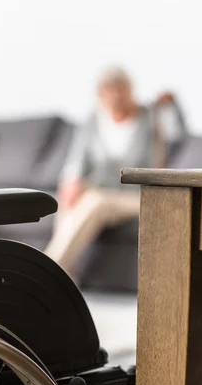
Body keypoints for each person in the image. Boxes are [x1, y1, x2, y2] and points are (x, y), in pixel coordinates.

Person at [44, 66, 187, 282]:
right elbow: (76, 161)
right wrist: (71, 182)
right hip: (100, 191)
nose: (118, 98)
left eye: (122, 91)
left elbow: (178, 134)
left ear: (130, 90)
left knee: (95, 201)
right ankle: (65, 280)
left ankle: (46, 270)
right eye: (111, 93)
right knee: (66, 200)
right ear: (101, 95)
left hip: (136, 195)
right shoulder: (93, 121)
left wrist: (173, 106)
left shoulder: (149, 117)